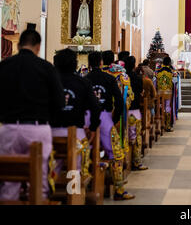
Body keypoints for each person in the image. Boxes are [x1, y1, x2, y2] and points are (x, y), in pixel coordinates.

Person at [0, 30, 65, 201]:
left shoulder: (4, 66)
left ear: (19, 45)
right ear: (38, 47)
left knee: (8, 180)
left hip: (9, 127)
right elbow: (59, 102)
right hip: (37, 129)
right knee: (40, 178)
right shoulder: (46, 68)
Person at [86, 51, 134, 201]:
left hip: (87, 119)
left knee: (86, 152)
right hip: (105, 118)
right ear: (101, 63)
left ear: (89, 63)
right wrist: (114, 118)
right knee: (116, 154)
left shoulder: (84, 79)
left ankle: (84, 187)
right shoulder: (109, 78)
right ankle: (119, 190)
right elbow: (119, 101)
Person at [51, 49, 101, 184]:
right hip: (76, 133)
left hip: (52, 133)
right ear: (75, 64)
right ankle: (73, 192)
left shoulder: (50, 81)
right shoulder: (83, 82)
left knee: (52, 168)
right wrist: (93, 127)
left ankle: (50, 193)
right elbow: (95, 107)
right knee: (76, 167)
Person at [124, 56, 148, 171]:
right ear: (134, 65)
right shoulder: (137, 78)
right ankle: (136, 161)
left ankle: (125, 160)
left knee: (124, 135)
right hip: (134, 110)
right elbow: (141, 92)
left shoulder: (121, 77)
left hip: (123, 111)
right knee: (136, 136)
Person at [156, 56, 175, 132]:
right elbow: (172, 81)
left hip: (160, 92)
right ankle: (167, 126)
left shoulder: (159, 70)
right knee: (167, 107)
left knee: (160, 106)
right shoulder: (170, 71)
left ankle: (160, 125)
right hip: (167, 91)